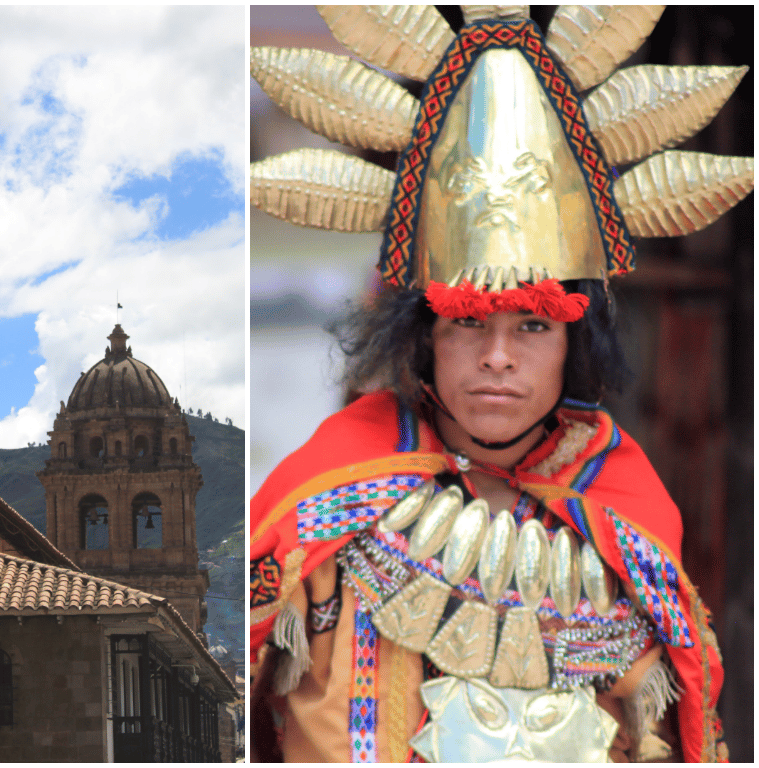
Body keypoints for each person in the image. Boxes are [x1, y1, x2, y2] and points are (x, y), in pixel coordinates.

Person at [249, 5, 752, 763]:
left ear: (573, 346)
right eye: (467, 324)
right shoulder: (321, 501)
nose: (496, 357)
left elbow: (661, 735)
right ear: (423, 338)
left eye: (533, 327)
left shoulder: (626, 513)